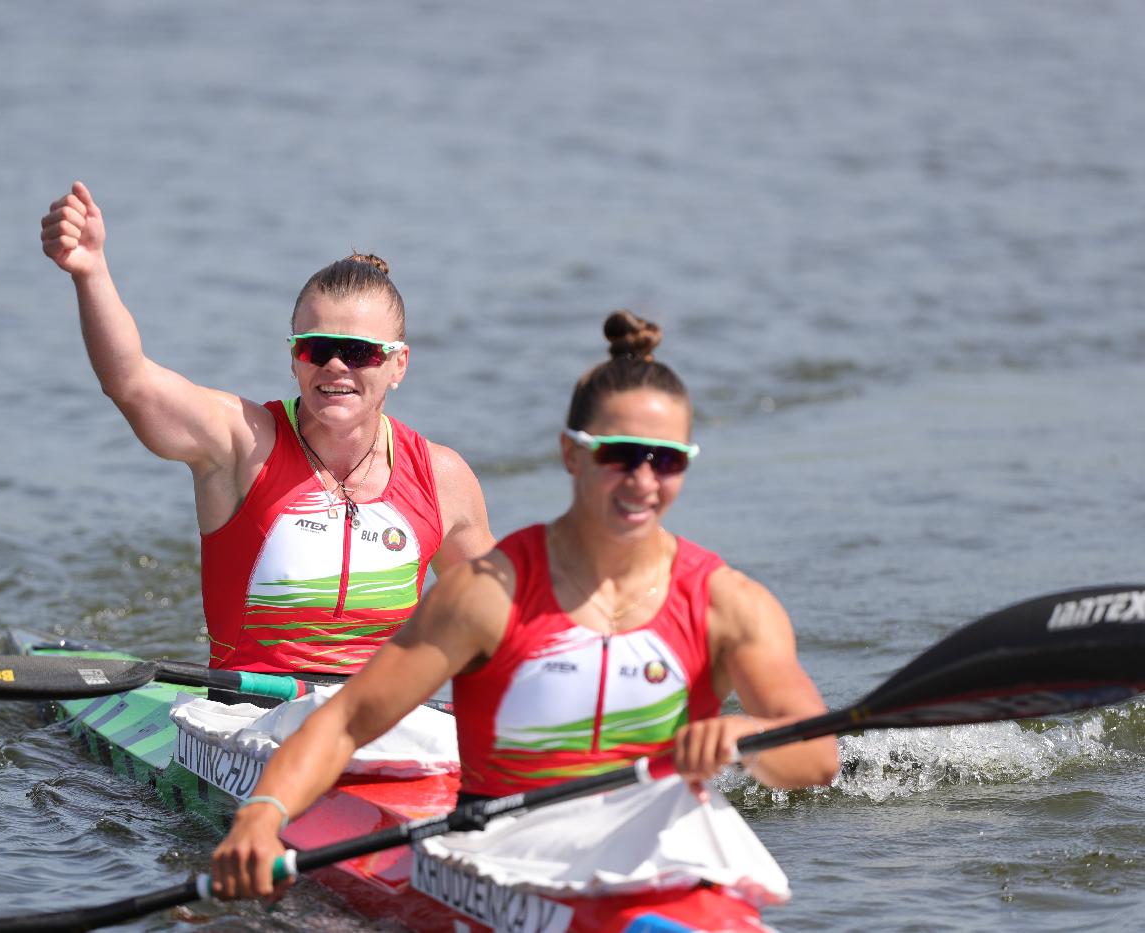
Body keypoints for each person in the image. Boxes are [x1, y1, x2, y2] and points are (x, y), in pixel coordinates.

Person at [209, 310, 840, 897]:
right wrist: (263, 816)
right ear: (572, 453)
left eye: (667, 461)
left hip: (656, 867)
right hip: (510, 868)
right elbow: (346, 721)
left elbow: (816, 758)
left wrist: (746, 736)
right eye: (620, 456)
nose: (643, 481)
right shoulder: (488, 593)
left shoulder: (729, 602)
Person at [39, 182, 493, 674]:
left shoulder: (442, 480)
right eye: (316, 348)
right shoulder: (241, 444)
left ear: (398, 364)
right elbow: (132, 383)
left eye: (359, 352)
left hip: (371, 717)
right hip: (245, 719)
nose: (336, 367)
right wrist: (91, 271)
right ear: (294, 356)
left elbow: (496, 628)